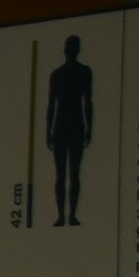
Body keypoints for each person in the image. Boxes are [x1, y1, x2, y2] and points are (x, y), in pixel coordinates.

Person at [46, 34, 95, 226]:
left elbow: (87, 103)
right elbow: (51, 105)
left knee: (71, 174)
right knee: (64, 174)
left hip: (70, 126)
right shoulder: (62, 73)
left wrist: (89, 127)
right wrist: (48, 130)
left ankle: (69, 215)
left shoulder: (77, 72)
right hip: (66, 126)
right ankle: (63, 215)